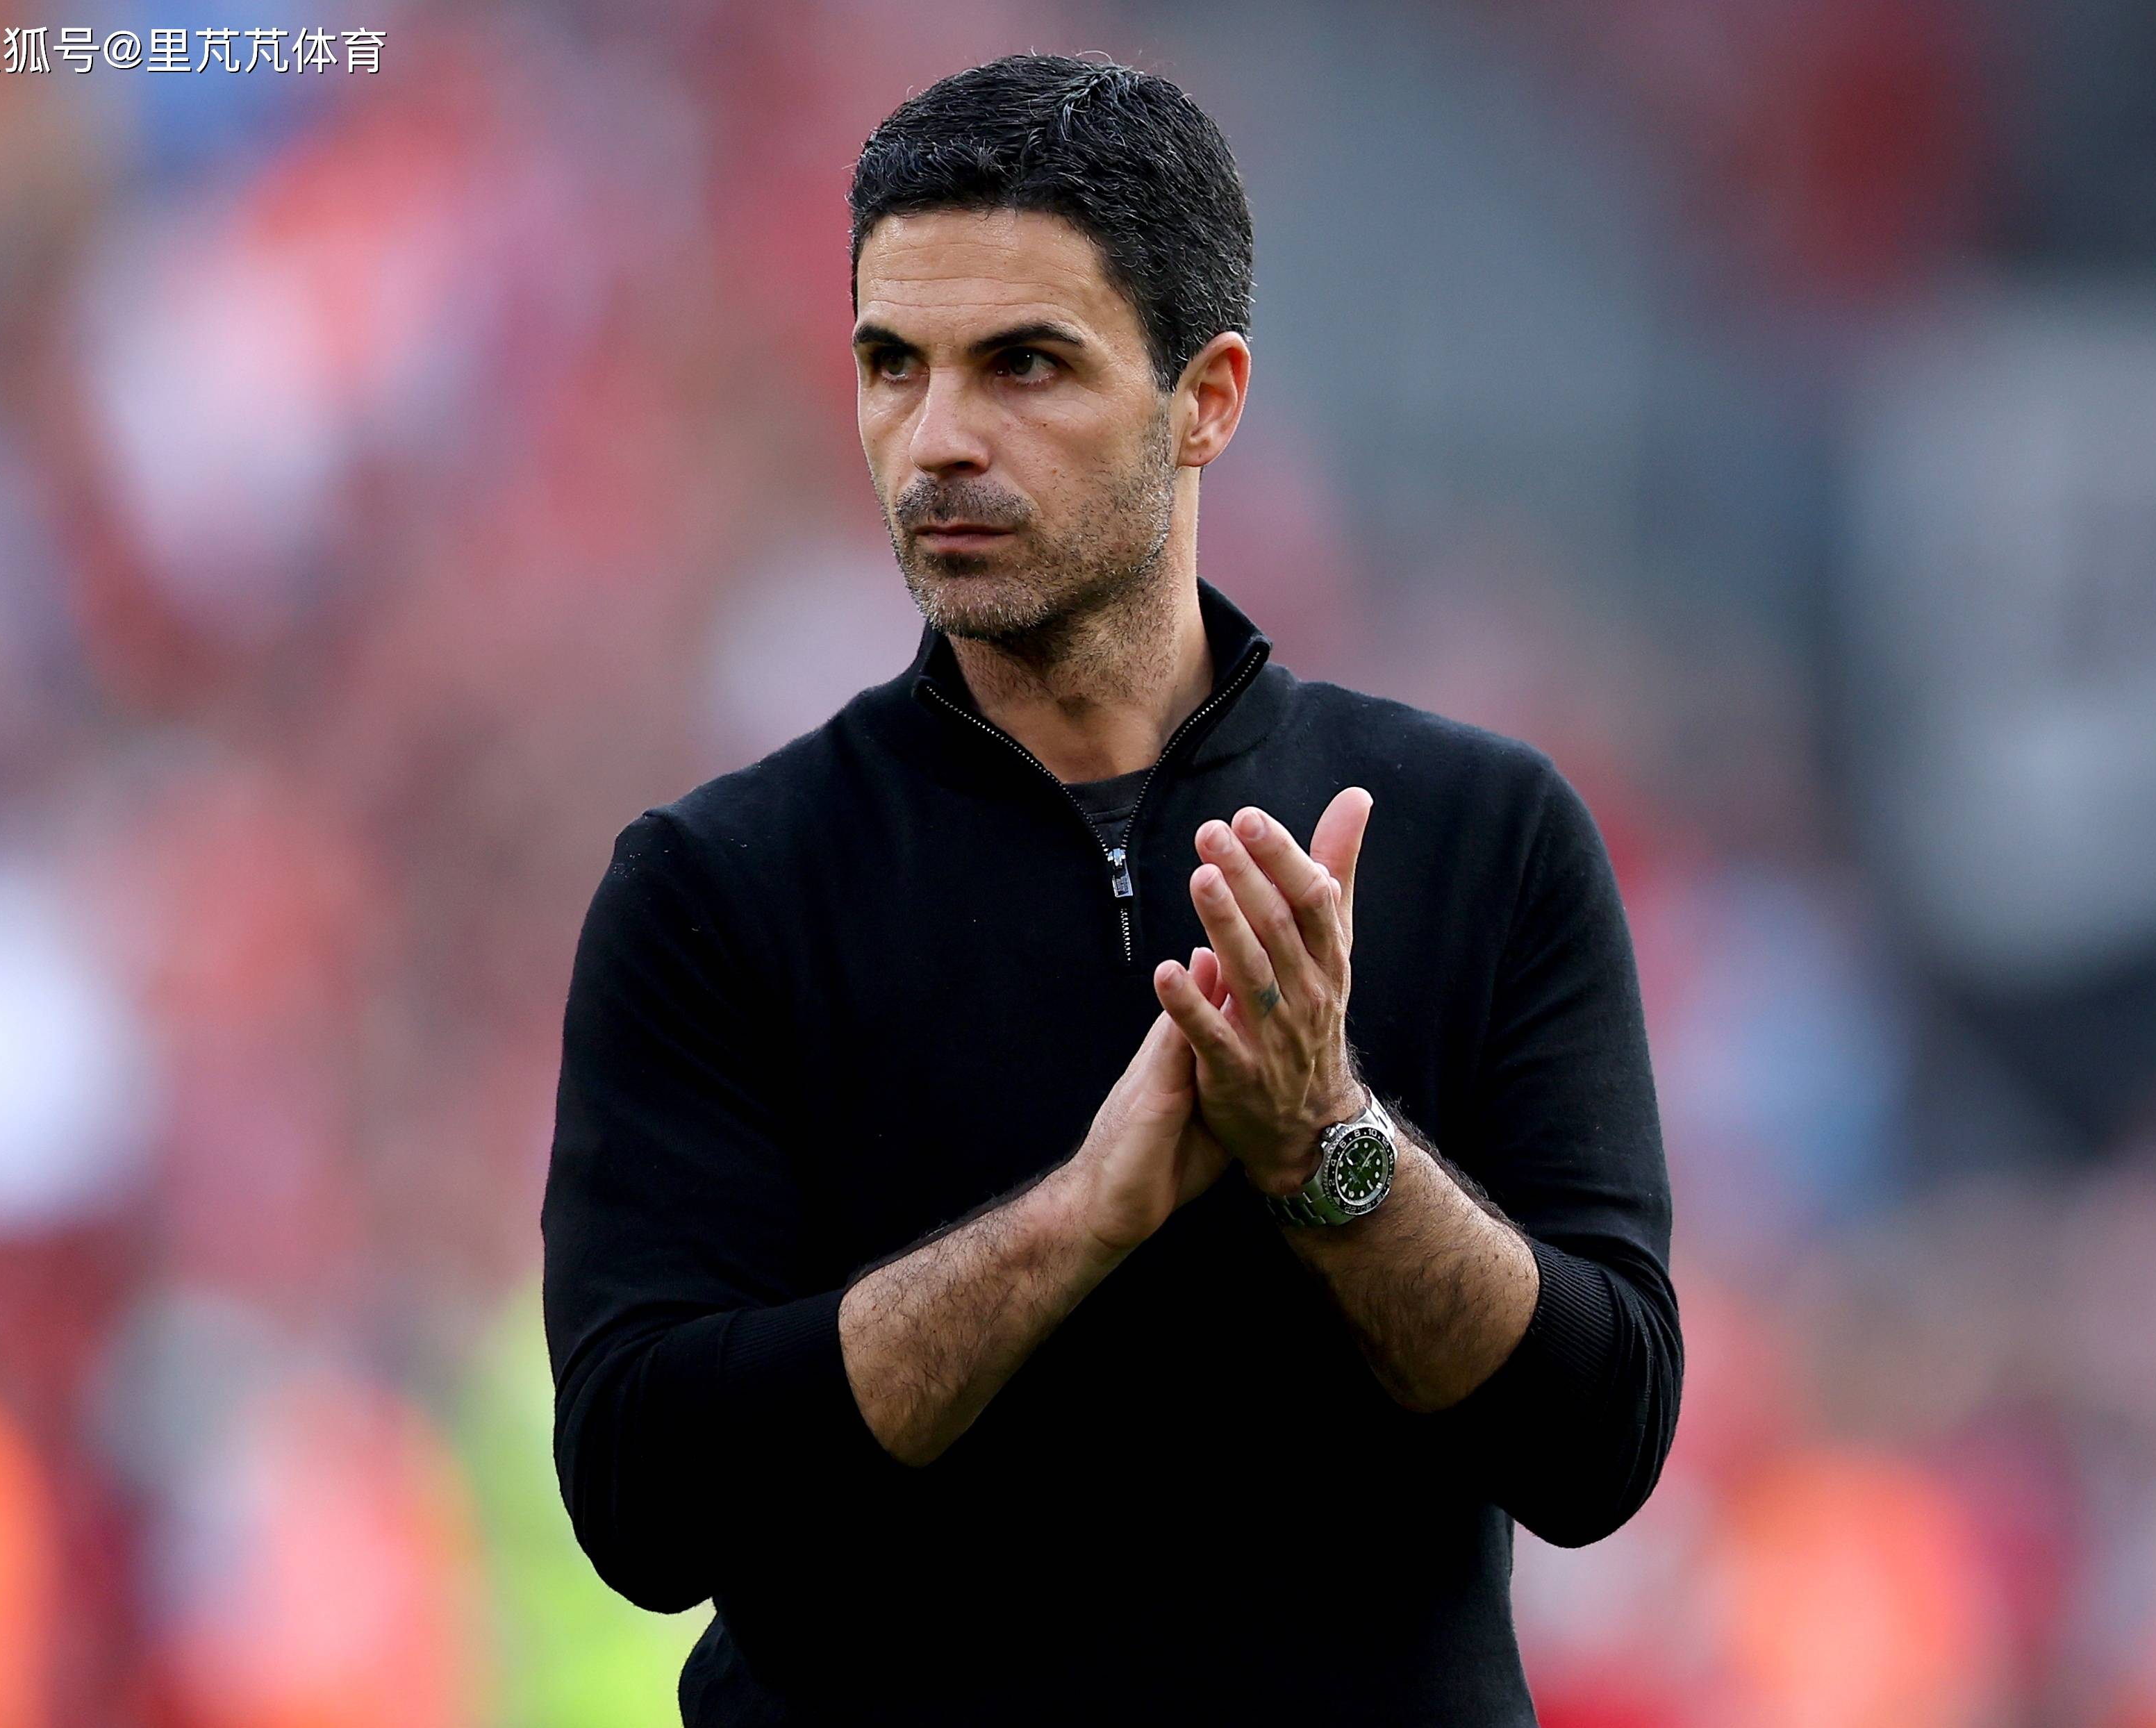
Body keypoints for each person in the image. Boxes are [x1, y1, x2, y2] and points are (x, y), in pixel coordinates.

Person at [542, 53, 1681, 1727]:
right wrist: (1075, 1222)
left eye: (1024, 364)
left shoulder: (1478, 834)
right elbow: (642, 1494)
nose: (937, 440)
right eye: (890, 363)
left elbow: (1598, 1443)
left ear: (1204, 397)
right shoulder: (717, 888)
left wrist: (1325, 1147)